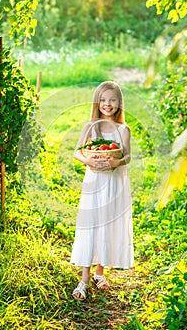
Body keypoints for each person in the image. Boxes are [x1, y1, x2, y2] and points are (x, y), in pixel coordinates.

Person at [71, 81, 134, 300]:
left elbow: (126, 157)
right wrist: (88, 159)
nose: (108, 104)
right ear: (98, 102)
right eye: (104, 100)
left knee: (108, 224)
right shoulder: (91, 127)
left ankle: (100, 273)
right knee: (92, 224)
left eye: (112, 100)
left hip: (115, 183)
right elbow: (77, 152)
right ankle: (84, 279)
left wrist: (115, 163)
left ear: (119, 103)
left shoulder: (123, 129)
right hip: (95, 182)